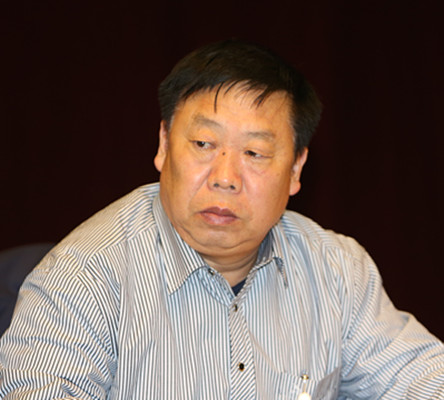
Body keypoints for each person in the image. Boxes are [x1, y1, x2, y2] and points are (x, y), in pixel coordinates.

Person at [0, 39, 443, 399]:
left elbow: (421, 378)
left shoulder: (336, 269)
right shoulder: (82, 276)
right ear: (163, 144)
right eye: (203, 145)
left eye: (255, 153)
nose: (225, 177)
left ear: (295, 169)